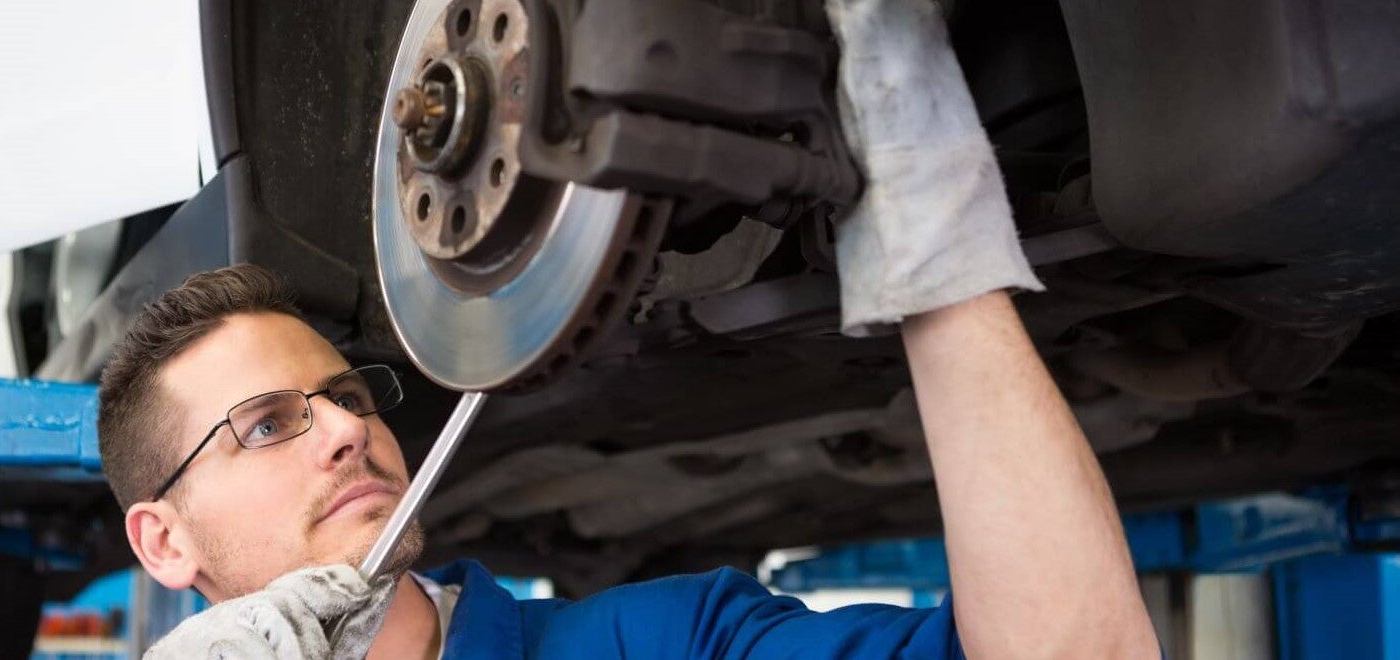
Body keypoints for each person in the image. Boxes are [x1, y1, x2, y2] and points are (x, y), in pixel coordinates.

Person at [101, 0, 1161, 657]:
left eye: (342, 396)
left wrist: (931, 234)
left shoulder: (661, 642)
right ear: (163, 540)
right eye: (266, 426)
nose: (346, 431)